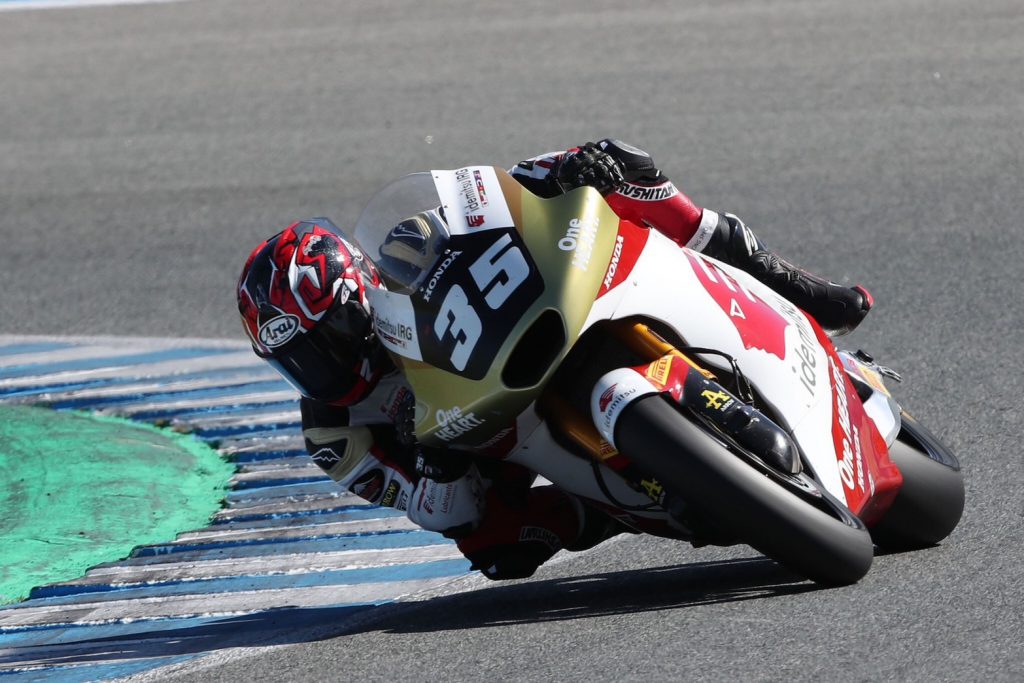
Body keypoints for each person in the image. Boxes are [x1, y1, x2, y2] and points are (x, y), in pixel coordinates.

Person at [236, 139, 872, 580]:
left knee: (624, 167)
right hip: (491, 446)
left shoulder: (405, 250)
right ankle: (622, 504)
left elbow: (494, 204)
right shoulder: (333, 435)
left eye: (330, 337)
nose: (325, 365)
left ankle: (789, 285)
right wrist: (433, 455)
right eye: (299, 360)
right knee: (495, 552)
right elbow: (436, 512)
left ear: (360, 291)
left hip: (528, 328)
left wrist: (562, 171)